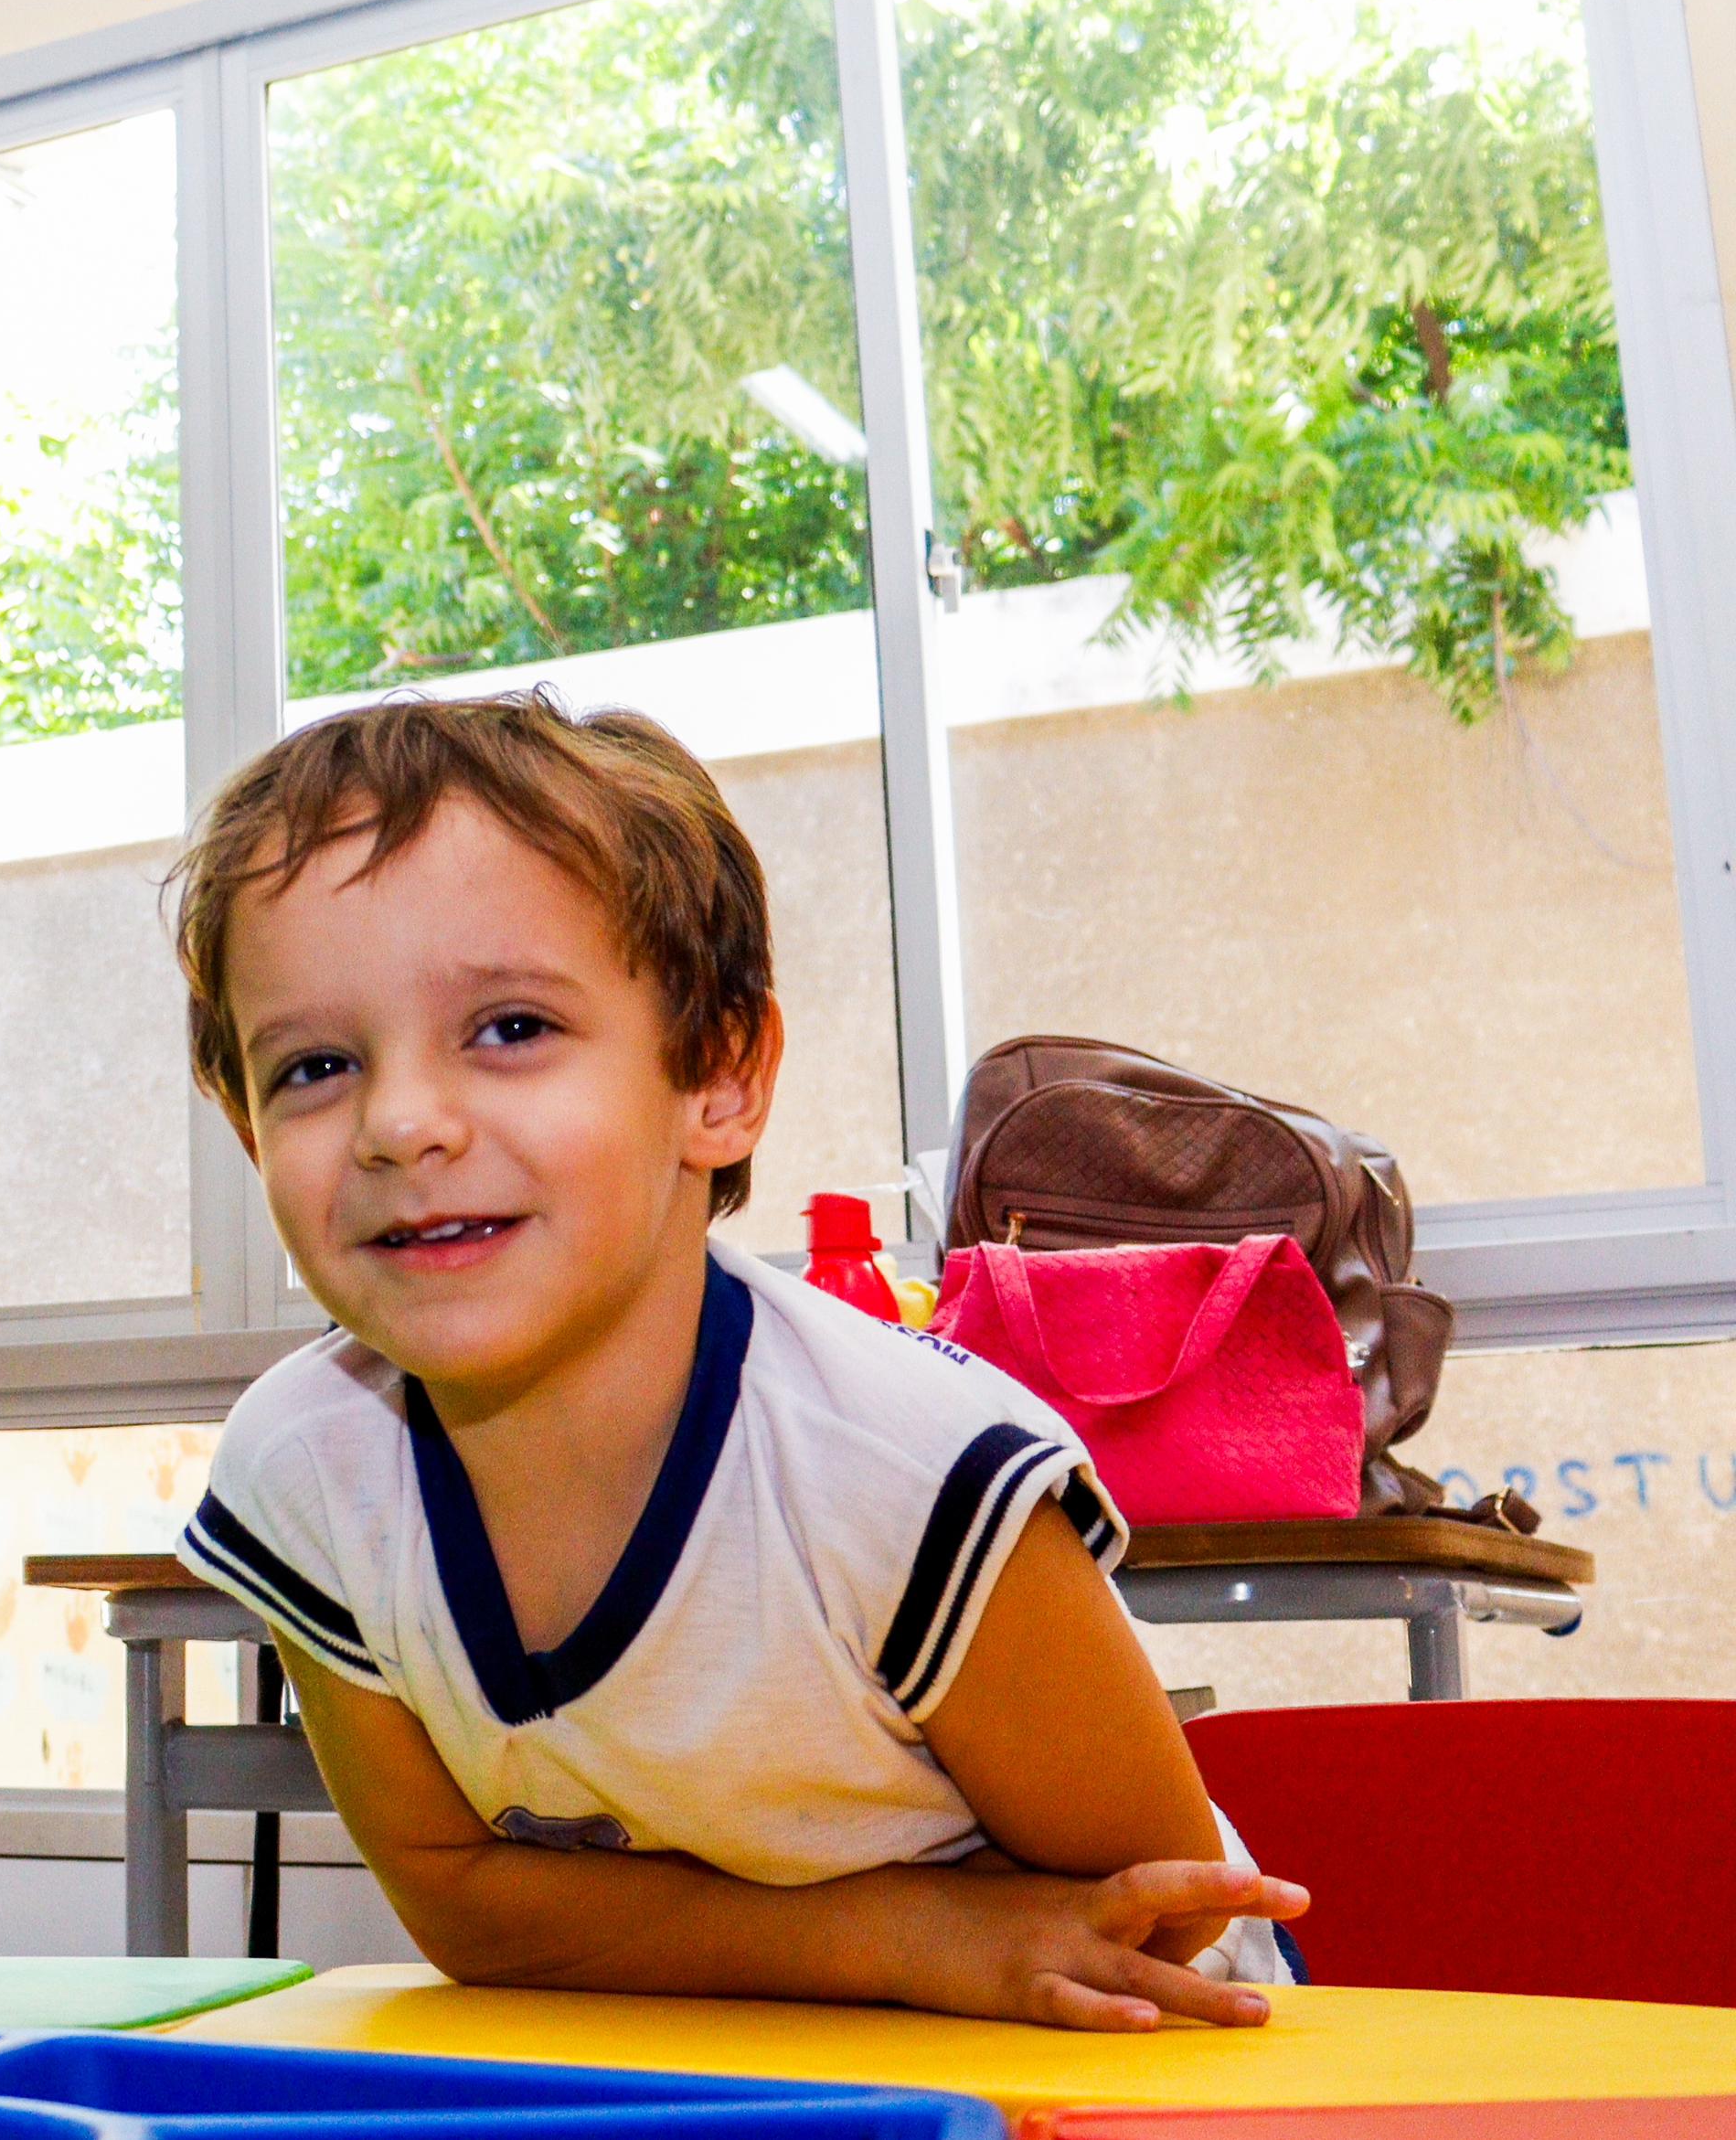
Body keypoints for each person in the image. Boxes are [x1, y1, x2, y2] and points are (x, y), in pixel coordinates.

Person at [166, 694, 1308, 2033]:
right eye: (313, 1063)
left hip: (1110, 2059)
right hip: (729, 2049)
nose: (401, 1122)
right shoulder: (306, 1469)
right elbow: (462, 1898)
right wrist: (901, 1934)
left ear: (718, 1075)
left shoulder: (905, 1476)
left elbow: (1161, 1917)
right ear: (247, 1134)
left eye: (511, 1028)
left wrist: (920, 1956)